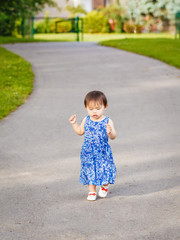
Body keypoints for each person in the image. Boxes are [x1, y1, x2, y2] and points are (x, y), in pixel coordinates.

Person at [69, 90, 116, 201]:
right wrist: (74, 123)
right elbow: (80, 131)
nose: (94, 112)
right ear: (86, 107)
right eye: (91, 109)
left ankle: (104, 186)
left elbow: (114, 136)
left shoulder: (108, 121)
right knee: (90, 170)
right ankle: (92, 192)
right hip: (88, 152)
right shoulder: (87, 119)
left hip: (103, 151)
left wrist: (110, 132)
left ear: (105, 106)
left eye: (98, 109)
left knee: (105, 169)